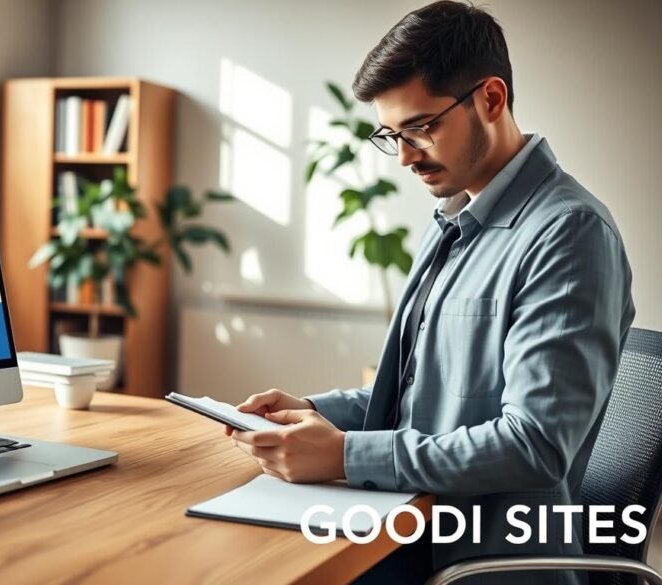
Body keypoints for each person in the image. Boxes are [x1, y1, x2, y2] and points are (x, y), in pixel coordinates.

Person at [226, 3, 634, 584]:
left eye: (420, 127)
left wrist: (343, 455)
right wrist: (315, 414)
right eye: (392, 135)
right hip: (409, 520)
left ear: (491, 99)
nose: (406, 157)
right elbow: (429, 401)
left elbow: (536, 445)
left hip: (471, 559)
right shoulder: (451, 220)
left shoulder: (568, 234)